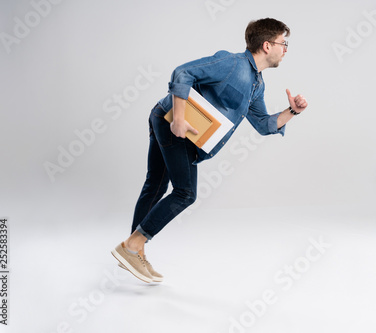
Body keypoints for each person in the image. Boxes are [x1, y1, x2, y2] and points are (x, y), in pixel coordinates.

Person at [111, 18, 308, 283]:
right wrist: (179, 118)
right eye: (284, 44)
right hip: (172, 120)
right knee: (185, 193)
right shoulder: (232, 64)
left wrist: (293, 111)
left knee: (156, 186)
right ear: (266, 45)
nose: (286, 49)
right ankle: (131, 246)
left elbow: (263, 124)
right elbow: (182, 72)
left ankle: (135, 249)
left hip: (169, 119)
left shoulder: (256, 85)